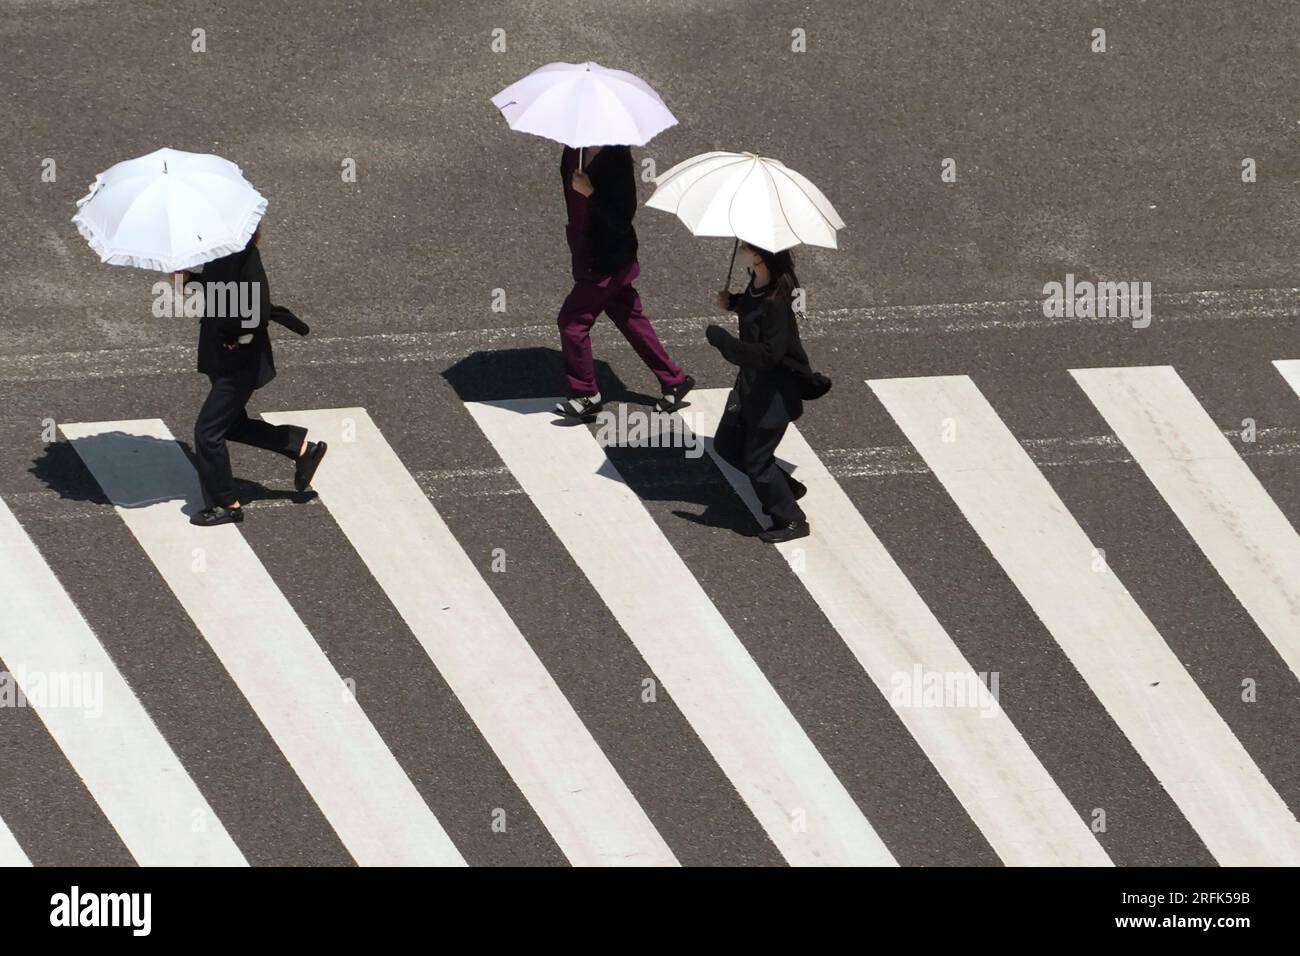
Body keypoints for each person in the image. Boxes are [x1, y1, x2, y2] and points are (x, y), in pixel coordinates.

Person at [187, 227, 327, 526]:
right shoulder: (221, 256)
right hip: (221, 357)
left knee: (207, 433)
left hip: (239, 362)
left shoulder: (245, 258)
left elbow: (258, 309)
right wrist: (187, 280)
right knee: (231, 424)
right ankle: (301, 448)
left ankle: (228, 504)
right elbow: (216, 290)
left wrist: (237, 336)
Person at [553, 144, 693, 419]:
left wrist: (590, 193)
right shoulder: (573, 151)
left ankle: (586, 393)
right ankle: (674, 380)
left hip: (607, 260)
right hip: (587, 252)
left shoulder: (617, 163)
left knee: (572, 322)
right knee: (629, 316)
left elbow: (621, 220)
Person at [704, 242, 810, 543]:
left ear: (760, 257)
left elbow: (769, 354)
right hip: (750, 386)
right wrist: (736, 302)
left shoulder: (778, 297)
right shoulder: (758, 283)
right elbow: (754, 313)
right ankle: (786, 489)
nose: (740, 251)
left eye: (746, 247)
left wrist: (724, 342)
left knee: (757, 461)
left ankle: (791, 520)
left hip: (773, 394)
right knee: (726, 445)